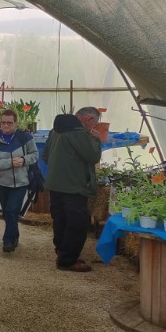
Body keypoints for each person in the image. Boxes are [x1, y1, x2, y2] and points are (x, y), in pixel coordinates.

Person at [44, 107, 102, 272]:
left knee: (60, 220)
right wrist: (97, 140)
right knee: (77, 224)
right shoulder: (79, 132)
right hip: (73, 186)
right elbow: (92, 156)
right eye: (94, 124)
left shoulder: (55, 130)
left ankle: (62, 252)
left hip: (55, 184)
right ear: (89, 119)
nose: (94, 128)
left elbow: (46, 156)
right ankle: (67, 260)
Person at [0, 109, 38, 253]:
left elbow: (35, 155)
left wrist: (24, 160)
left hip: (21, 182)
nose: (6, 126)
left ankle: (7, 241)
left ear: (16, 123)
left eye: (9, 123)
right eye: (3, 122)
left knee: (12, 210)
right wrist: (10, 162)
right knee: (6, 213)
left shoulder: (25, 138)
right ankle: (14, 235)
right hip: (2, 183)